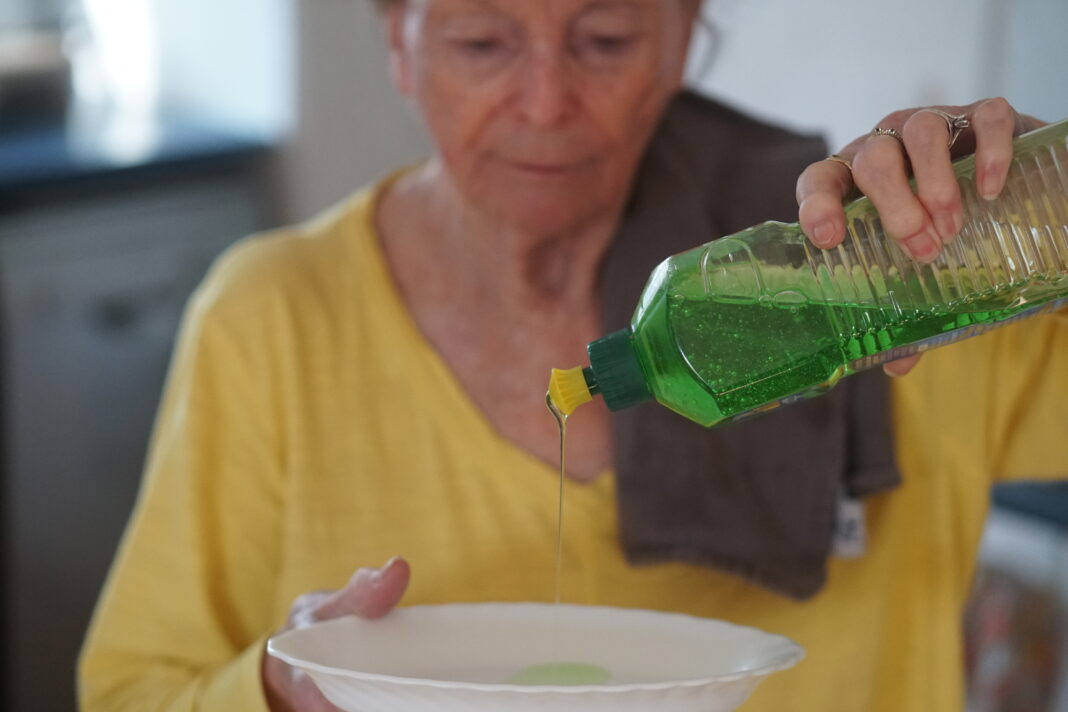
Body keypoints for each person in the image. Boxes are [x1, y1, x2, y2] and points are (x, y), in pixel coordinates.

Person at [77, 1, 1066, 710]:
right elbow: (131, 692)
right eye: (481, 39)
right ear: (399, 41)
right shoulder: (272, 319)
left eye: (604, 37)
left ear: (685, 35)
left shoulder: (867, 271)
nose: (546, 102)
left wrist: (1039, 207)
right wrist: (282, 688)